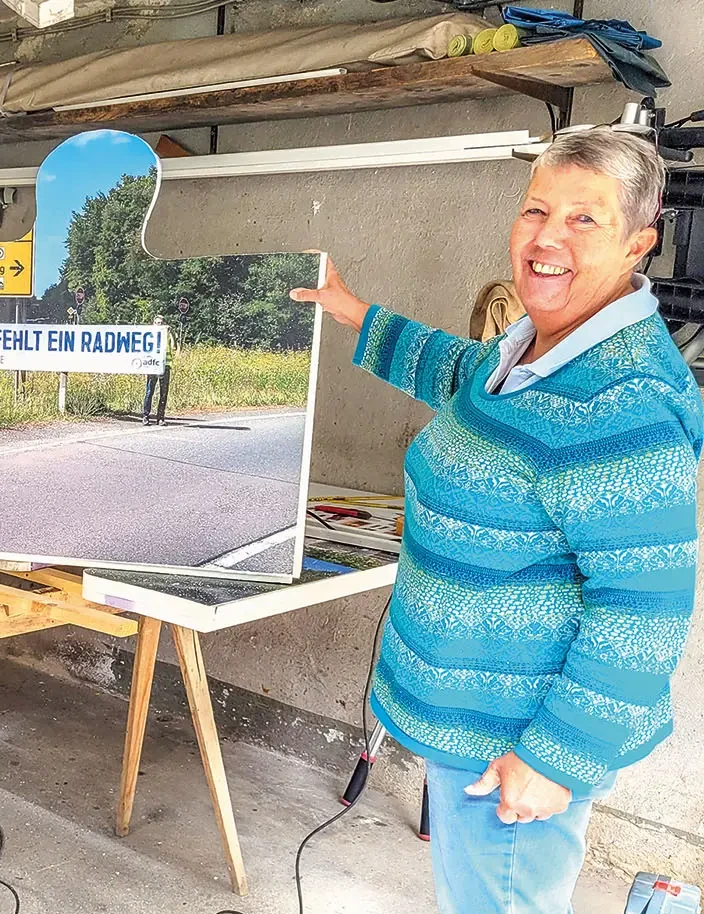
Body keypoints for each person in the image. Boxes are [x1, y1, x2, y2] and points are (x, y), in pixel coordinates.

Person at [291, 126, 702, 913]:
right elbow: (460, 373)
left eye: (585, 219)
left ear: (640, 244)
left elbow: (644, 608)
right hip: (474, 724)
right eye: (535, 210)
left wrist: (556, 758)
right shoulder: (541, 348)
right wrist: (352, 311)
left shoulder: (621, 401)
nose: (548, 238)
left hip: (515, 742)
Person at [142, 314, 173, 425]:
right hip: (152, 366)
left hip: (165, 366)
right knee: (149, 391)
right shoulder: (149, 335)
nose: (159, 325)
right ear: (153, 324)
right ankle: (146, 416)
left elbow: (173, 347)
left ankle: (160, 418)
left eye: (161, 323)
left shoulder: (168, 335)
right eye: (157, 323)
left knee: (163, 393)